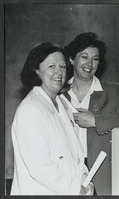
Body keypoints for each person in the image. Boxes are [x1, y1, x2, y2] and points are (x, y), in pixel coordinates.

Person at [61, 32, 119, 195]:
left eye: (95, 58)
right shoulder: (58, 93)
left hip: (100, 170)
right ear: (72, 59)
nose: (90, 63)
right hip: (67, 171)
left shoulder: (112, 91)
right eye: (84, 57)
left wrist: (96, 121)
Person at [11, 42, 94, 195]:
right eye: (51, 66)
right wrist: (74, 188)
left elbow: (74, 153)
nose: (59, 72)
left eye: (62, 67)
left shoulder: (62, 103)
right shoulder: (30, 109)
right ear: (37, 70)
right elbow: (39, 167)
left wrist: (84, 178)